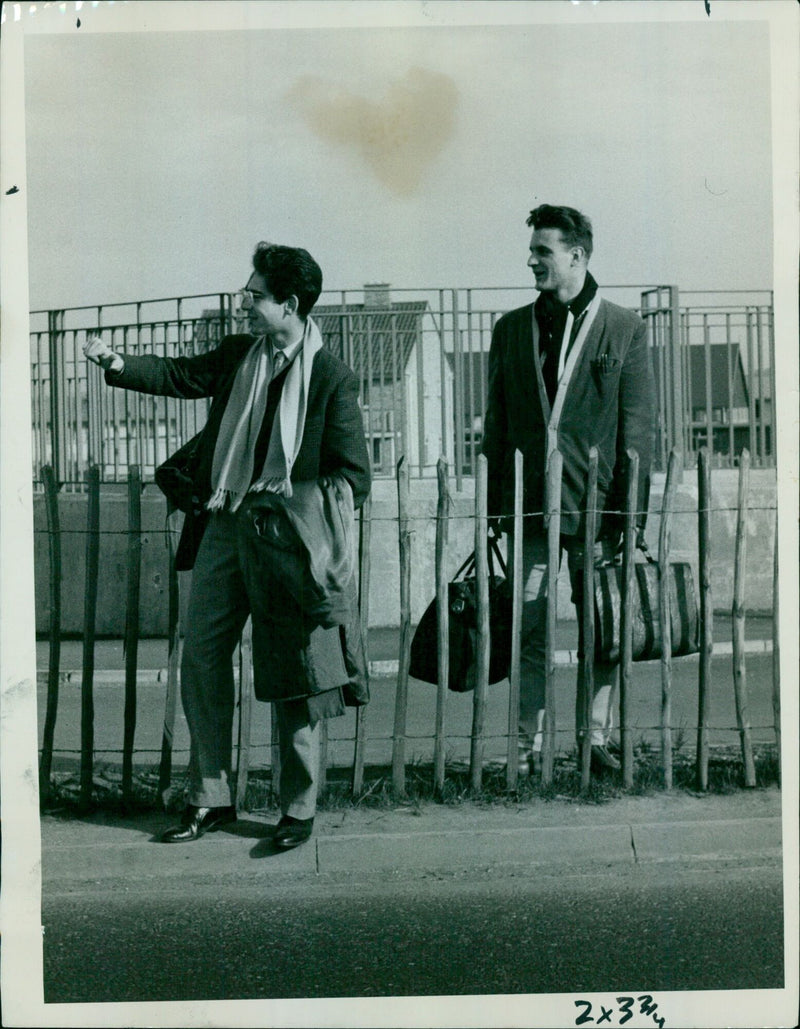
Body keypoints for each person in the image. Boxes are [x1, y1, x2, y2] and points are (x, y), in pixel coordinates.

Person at [84, 242, 371, 848]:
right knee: (204, 658)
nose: (244, 302)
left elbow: (354, 476)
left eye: (255, 295)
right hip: (223, 525)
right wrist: (115, 362)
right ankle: (210, 799)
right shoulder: (243, 353)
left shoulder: (331, 378)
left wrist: (300, 512)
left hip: (288, 541)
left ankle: (298, 809)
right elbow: (181, 375)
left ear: (289, 304)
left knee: (291, 673)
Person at [481, 205, 655, 776]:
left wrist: (630, 518)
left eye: (543, 251)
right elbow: (497, 425)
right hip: (529, 509)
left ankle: (593, 739)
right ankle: (530, 748)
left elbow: (636, 431)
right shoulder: (510, 329)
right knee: (529, 628)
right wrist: (495, 511)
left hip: (597, 510)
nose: (532, 260)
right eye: (532, 250)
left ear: (577, 256)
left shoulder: (624, 328)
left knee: (600, 629)